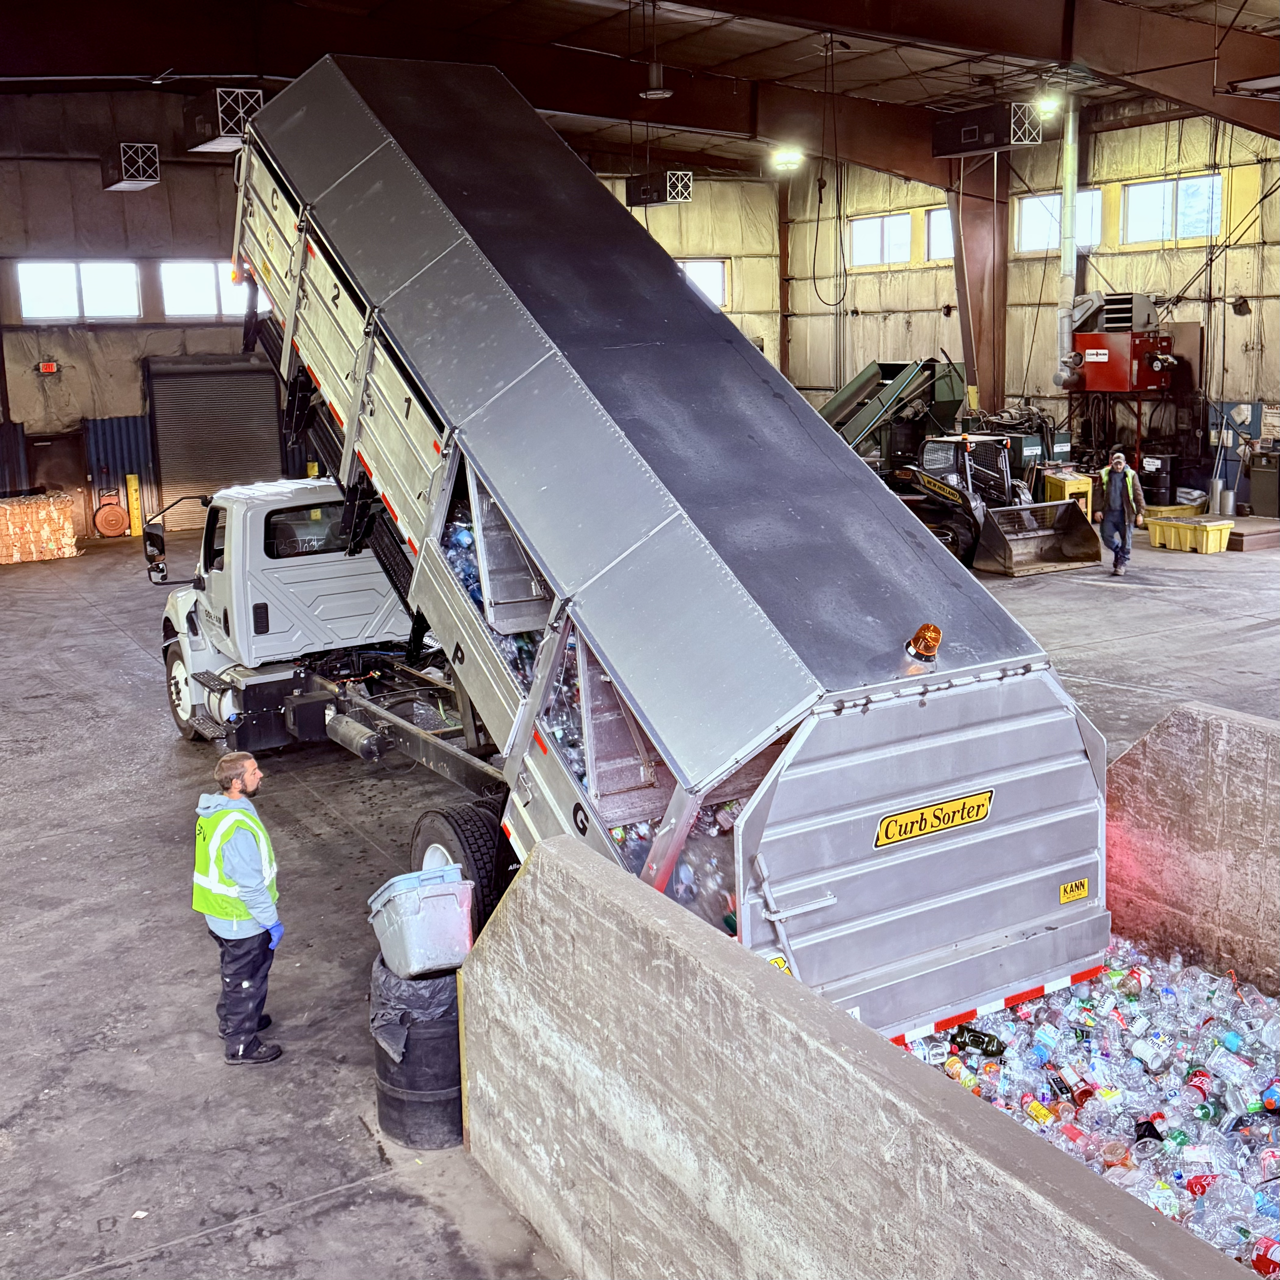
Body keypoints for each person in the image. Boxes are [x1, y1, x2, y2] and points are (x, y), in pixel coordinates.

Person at [193, 752, 285, 1065]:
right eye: (253, 772)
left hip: (219, 914)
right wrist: (271, 921)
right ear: (236, 783)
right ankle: (241, 1045)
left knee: (235, 975)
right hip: (241, 919)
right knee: (247, 981)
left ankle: (234, 1020)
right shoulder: (237, 828)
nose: (261, 775)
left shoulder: (216, 811)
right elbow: (251, 885)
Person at [1093, 448, 1146, 576]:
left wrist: (1140, 513)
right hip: (1109, 512)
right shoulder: (1104, 474)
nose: (1118, 466)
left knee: (1126, 540)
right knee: (1106, 536)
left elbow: (1138, 494)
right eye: (1116, 464)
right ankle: (1118, 552)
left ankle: (1122, 562)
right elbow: (1098, 493)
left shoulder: (1131, 475)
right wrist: (1097, 510)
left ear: (1125, 463)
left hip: (1125, 513)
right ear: (1112, 463)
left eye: (1120, 464)